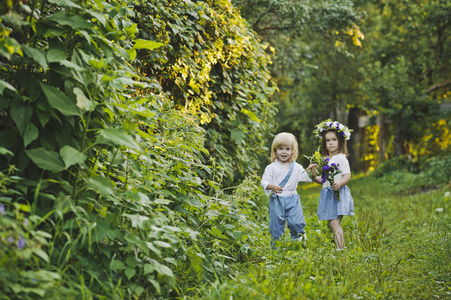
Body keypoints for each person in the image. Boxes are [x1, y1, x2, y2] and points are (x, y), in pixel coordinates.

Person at [261, 132, 313, 247]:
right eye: (280, 148)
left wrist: (311, 171)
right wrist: (271, 186)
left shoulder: (297, 167)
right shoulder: (271, 168)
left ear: (292, 151)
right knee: (276, 224)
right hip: (277, 199)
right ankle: (278, 246)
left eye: (287, 149)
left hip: (292, 198)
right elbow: (264, 181)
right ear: (275, 151)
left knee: (296, 221)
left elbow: (306, 177)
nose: (284, 152)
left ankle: (299, 241)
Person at [309, 120, 354, 250]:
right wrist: (313, 175)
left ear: (340, 141)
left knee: (334, 223)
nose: (331, 143)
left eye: (334, 139)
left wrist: (339, 183)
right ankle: (338, 247)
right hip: (328, 194)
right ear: (324, 143)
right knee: (332, 224)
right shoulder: (326, 159)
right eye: (328, 140)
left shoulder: (341, 157)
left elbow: (347, 175)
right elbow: (323, 180)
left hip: (338, 194)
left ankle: (341, 251)